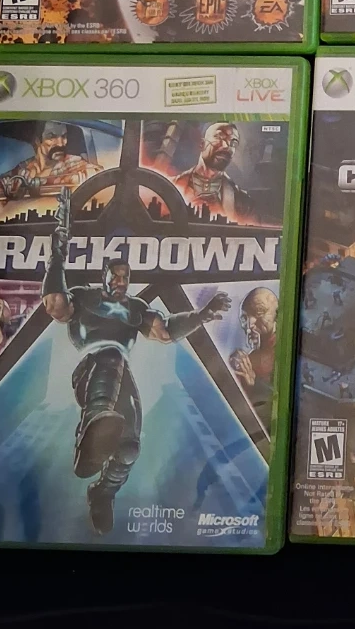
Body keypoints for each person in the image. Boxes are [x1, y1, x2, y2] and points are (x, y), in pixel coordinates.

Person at [42, 227, 229, 535]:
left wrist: (202, 315)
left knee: (129, 447)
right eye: (114, 276)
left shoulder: (135, 309)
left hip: (122, 378)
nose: (120, 282)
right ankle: (91, 428)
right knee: (112, 354)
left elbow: (166, 331)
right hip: (90, 369)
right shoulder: (84, 297)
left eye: (125, 277)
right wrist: (57, 257)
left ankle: (103, 492)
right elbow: (55, 305)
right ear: (103, 275)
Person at [173, 123, 252, 223]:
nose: (226, 146)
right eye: (219, 137)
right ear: (202, 144)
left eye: (233, 143)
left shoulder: (243, 202)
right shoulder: (172, 186)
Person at [229, 286, 279, 431]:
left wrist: (255, 386)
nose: (250, 324)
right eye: (245, 318)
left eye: (259, 313)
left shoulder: (285, 349)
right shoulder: (250, 360)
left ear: (276, 315)